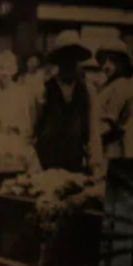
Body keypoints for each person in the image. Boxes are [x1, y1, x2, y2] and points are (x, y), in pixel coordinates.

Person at [30, 31, 96, 176]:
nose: (69, 62)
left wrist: (95, 166)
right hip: (47, 166)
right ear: (58, 60)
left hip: (75, 165)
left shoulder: (87, 91)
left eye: (73, 57)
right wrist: (33, 164)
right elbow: (31, 132)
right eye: (65, 57)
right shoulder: (43, 89)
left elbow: (92, 134)